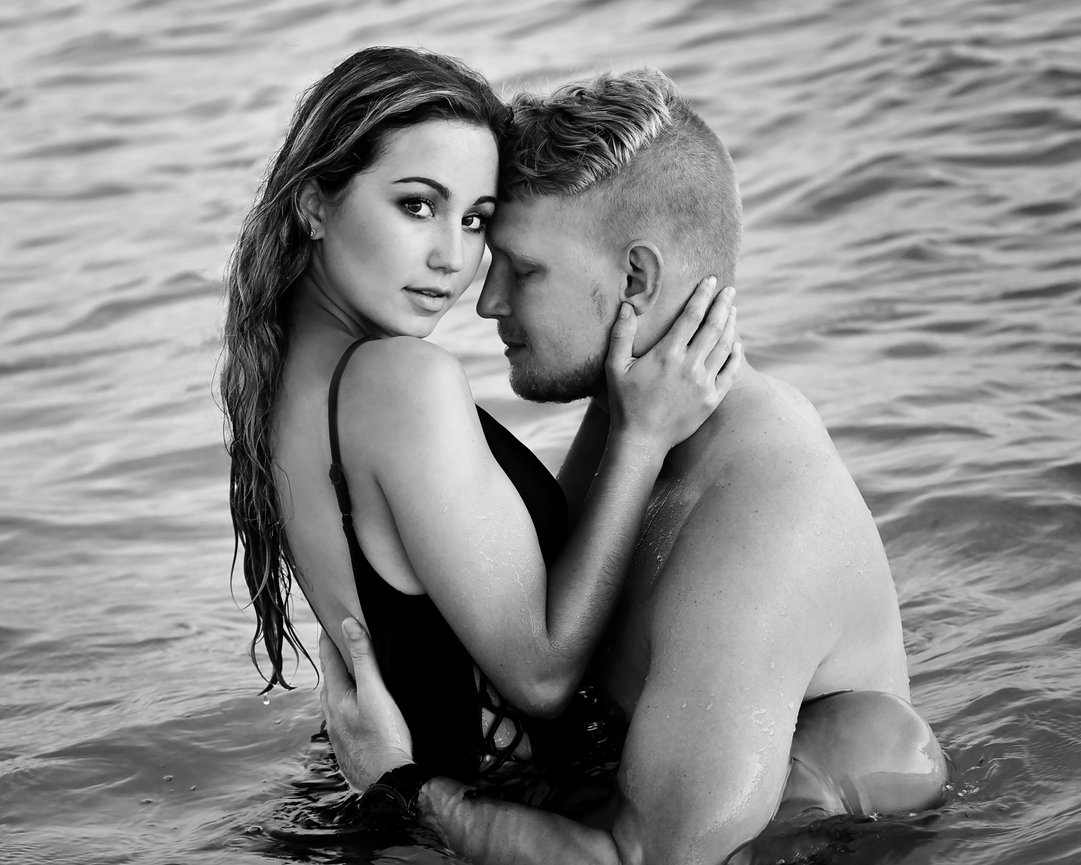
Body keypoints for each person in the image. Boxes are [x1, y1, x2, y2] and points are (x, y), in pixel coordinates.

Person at [318, 68, 950, 864]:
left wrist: (399, 785)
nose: (486, 303)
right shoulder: (632, 421)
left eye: (524, 268)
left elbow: (645, 861)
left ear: (636, 280)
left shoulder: (763, 514)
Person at [220, 47, 742, 788]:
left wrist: (612, 398)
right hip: (508, 822)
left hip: (416, 816)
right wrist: (640, 439)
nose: (454, 260)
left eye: (476, 220)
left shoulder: (283, 390)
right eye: (417, 205)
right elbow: (540, 674)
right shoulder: (397, 382)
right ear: (314, 205)